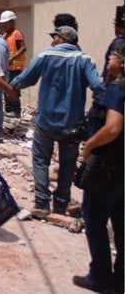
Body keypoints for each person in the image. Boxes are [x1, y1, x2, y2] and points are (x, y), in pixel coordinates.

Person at [10, 25, 104, 219]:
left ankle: (42, 203)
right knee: (68, 164)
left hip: (46, 120)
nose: (52, 40)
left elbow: (26, 79)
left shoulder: (46, 55)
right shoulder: (84, 59)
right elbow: (97, 86)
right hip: (73, 123)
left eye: (55, 37)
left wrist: (12, 87)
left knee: (40, 160)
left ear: (62, 39)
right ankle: (61, 204)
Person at [72, 43, 124, 294]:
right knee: (121, 225)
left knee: (94, 221)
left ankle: (100, 277)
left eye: (112, 56)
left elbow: (113, 128)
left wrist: (88, 147)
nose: (108, 60)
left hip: (107, 167)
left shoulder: (117, 90)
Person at [0, 10, 27, 117]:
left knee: (13, 89)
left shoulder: (17, 34)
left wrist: (12, 58)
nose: (4, 26)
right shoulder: (5, 35)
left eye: (6, 23)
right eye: (3, 24)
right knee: (5, 88)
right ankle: (8, 109)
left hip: (15, 67)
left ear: (12, 22)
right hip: (7, 67)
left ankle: (16, 110)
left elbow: (23, 48)